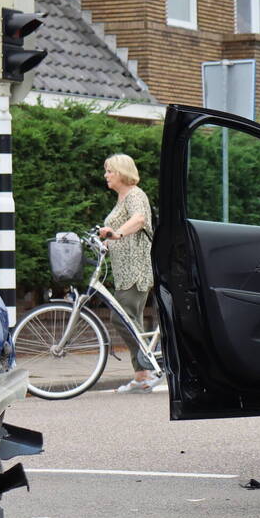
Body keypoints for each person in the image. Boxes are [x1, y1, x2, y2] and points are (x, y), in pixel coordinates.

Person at [98, 153, 160, 393]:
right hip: (124, 270)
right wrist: (107, 238)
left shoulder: (135, 194)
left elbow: (139, 219)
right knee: (129, 319)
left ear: (121, 172)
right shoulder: (122, 197)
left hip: (136, 268)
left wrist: (117, 234)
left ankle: (151, 368)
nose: (106, 175)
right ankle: (142, 376)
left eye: (109, 171)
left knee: (121, 317)